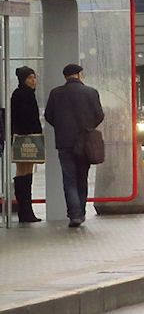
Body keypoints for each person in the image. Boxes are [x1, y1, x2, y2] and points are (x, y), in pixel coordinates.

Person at [44, 63, 104, 228]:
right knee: (82, 178)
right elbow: (99, 115)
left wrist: (61, 127)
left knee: (69, 179)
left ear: (65, 76)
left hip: (64, 142)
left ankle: (74, 215)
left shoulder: (56, 93)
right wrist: (88, 127)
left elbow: (48, 115)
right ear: (79, 74)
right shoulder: (91, 92)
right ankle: (81, 212)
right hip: (85, 143)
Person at [11, 66, 42, 223]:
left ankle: (25, 210)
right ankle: (25, 210)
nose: (33, 81)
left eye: (34, 77)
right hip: (26, 139)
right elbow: (26, 118)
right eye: (30, 78)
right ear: (23, 79)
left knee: (22, 171)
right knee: (25, 171)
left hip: (20, 138)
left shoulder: (19, 93)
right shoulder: (25, 95)